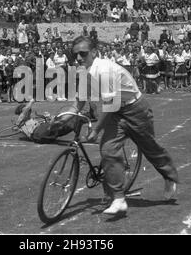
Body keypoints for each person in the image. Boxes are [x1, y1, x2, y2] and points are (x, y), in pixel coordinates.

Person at [61, 36, 178, 215]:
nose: (78, 58)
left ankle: (169, 176)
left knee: (150, 148)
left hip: (134, 108)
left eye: (83, 54)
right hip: (115, 112)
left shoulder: (104, 69)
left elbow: (110, 104)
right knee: (108, 150)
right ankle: (118, 198)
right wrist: (63, 117)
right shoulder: (83, 71)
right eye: (74, 54)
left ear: (94, 52)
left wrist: (96, 129)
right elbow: (80, 101)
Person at [14, 99, 87, 144]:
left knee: (63, 124)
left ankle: (81, 120)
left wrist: (48, 118)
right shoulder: (20, 121)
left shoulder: (30, 120)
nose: (29, 111)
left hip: (42, 136)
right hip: (38, 133)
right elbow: (25, 110)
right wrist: (32, 100)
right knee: (58, 121)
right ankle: (85, 116)